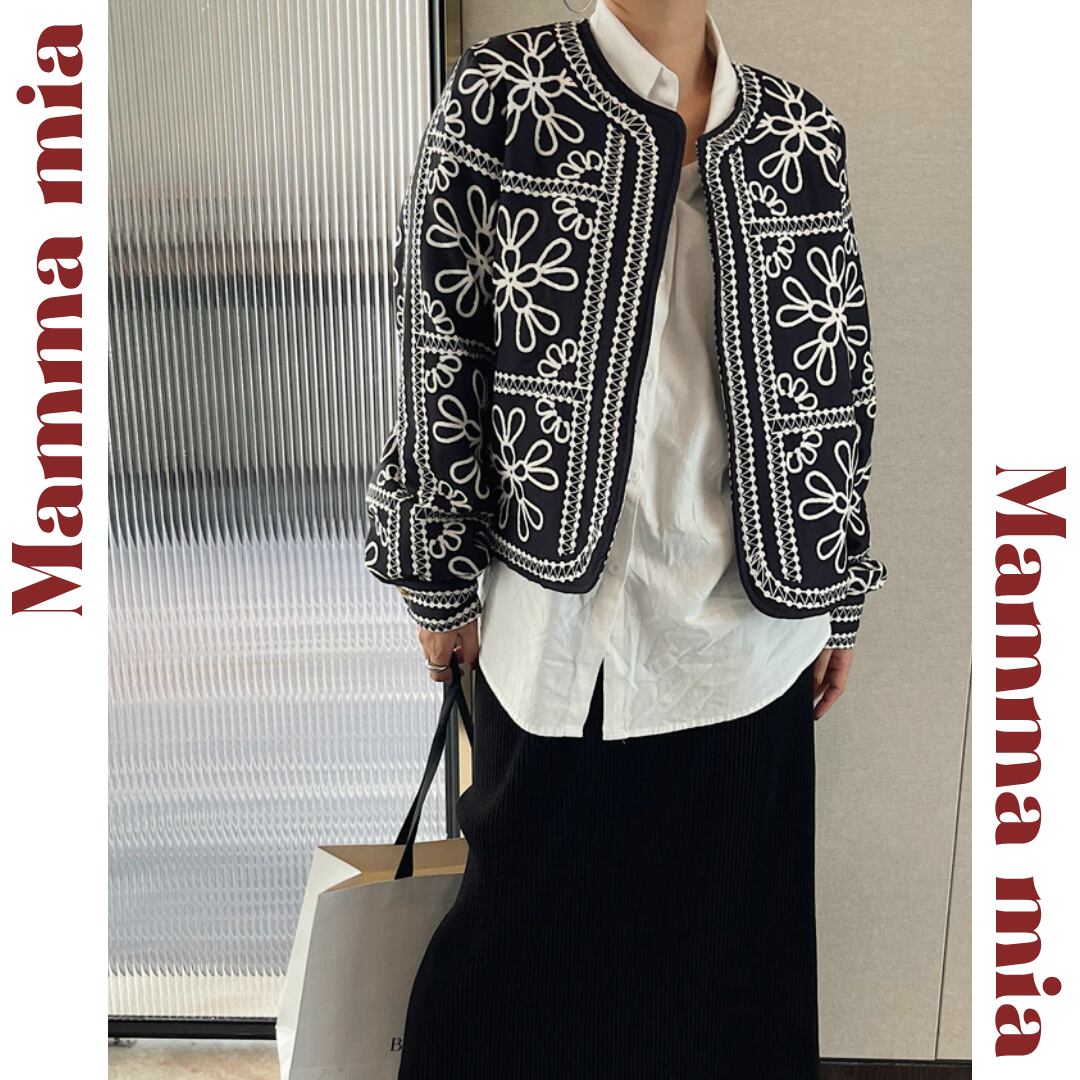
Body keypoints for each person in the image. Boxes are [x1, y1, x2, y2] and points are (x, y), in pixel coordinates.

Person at [364, 0, 888, 1075]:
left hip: (748, 639)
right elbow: (437, 342)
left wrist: (837, 589)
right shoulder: (504, 99)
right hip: (564, 637)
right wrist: (435, 574)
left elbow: (836, 382)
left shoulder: (799, 134)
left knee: (726, 984)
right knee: (518, 975)